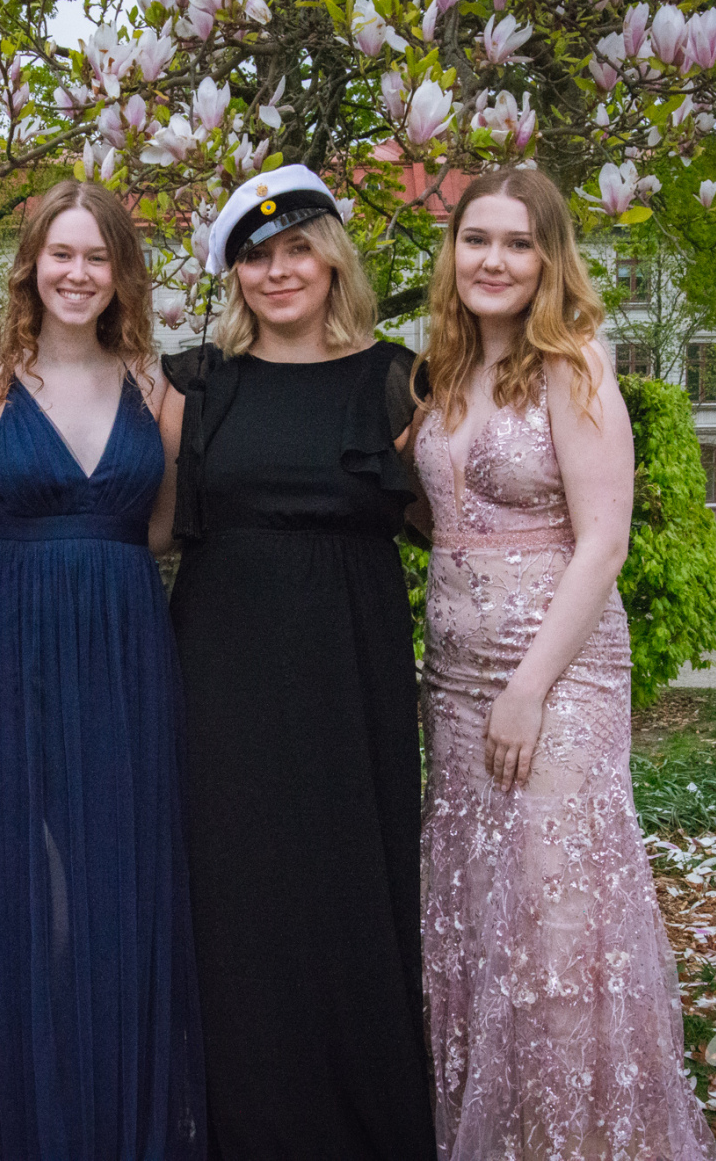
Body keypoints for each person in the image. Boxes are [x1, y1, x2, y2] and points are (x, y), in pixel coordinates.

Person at [411, 166, 716, 1161]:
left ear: (550, 259)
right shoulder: (441, 368)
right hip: (454, 682)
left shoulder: (574, 364)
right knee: (477, 911)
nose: (493, 260)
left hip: (555, 677)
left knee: (555, 919)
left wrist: (528, 689)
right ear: (453, 252)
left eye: (518, 242)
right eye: (476, 239)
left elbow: (604, 543)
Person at [161, 165, 435, 1160]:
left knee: (349, 883)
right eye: (256, 257)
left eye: (296, 251)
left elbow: (448, 520)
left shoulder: (399, 378)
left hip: (350, 665)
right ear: (233, 274)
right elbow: (147, 522)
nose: (277, 272)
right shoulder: (194, 382)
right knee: (238, 892)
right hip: (221, 669)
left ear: (333, 261)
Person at [0, 179, 207, 1160]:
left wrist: (87, 566)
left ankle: (112, 1118)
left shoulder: (159, 392)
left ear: (122, 273)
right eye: (63, 254)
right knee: (22, 880)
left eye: (99, 257)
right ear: (32, 266)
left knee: (118, 881)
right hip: (8, 653)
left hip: (127, 651)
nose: (79, 273)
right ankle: (28, 1119)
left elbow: (162, 529)